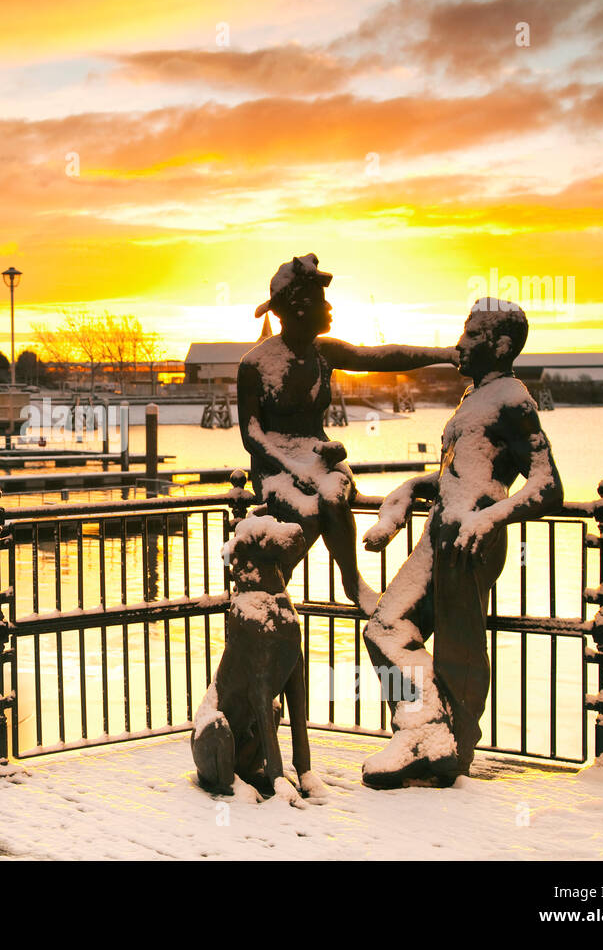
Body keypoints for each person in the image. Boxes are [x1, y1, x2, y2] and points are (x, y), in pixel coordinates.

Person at [359, 298, 563, 788]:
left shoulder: (513, 400)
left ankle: (445, 744)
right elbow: (461, 475)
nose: (460, 345)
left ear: (502, 345)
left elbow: (548, 485)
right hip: (441, 534)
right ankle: (425, 730)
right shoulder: (476, 398)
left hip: (469, 541)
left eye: (472, 336)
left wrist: (490, 519)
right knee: (384, 627)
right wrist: (413, 488)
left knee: (459, 650)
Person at [237, 254, 457, 613]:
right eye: (320, 301)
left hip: (319, 458)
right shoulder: (255, 364)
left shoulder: (325, 352)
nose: (329, 308)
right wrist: (295, 470)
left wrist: (444, 354)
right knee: (304, 514)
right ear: (297, 308)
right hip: (276, 466)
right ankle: (270, 595)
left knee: (333, 497)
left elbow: (379, 357)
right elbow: (252, 435)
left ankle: (351, 581)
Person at [191, 513, 325, 801]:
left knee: (276, 706)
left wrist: (305, 771)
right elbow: (257, 695)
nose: (284, 532)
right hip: (219, 736)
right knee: (234, 716)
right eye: (268, 536)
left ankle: (300, 770)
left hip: (247, 734)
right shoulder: (248, 616)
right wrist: (277, 777)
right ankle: (238, 781)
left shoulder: (280, 610)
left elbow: (296, 691)